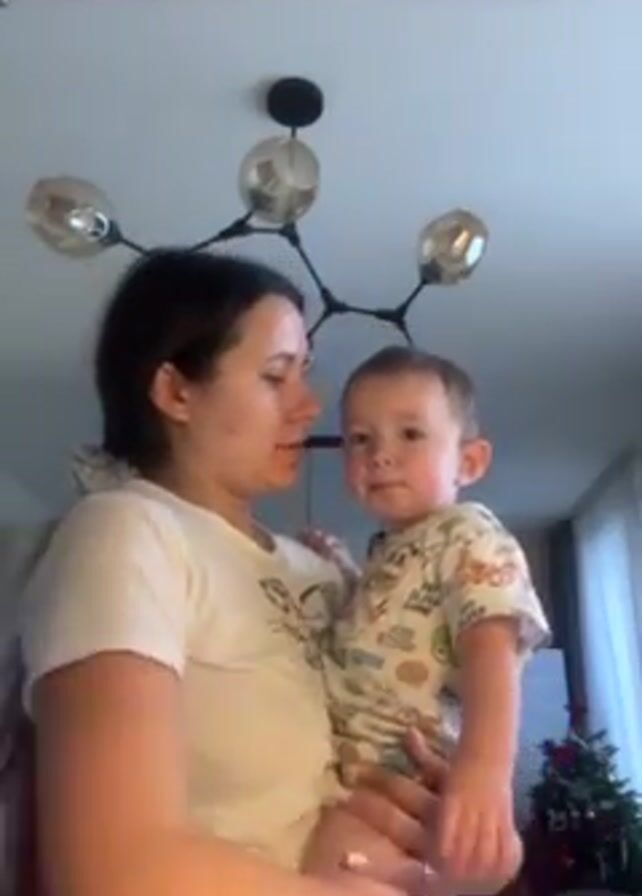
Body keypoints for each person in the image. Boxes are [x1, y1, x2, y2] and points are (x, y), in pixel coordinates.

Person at [19, 252, 446, 896]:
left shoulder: (322, 573)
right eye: (276, 377)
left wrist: (464, 846)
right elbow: (112, 871)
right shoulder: (128, 532)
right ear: (175, 392)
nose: (309, 405)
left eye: (304, 373)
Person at [301, 346, 551, 894]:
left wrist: (484, 773)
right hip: (357, 775)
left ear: (469, 462)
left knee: (332, 875)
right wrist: (343, 567)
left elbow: (492, 646)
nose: (380, 455)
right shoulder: (390, 551)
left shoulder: (469, 533)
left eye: (410, 434)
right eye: (360, 439)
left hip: (406, 768)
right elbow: (384, 622)